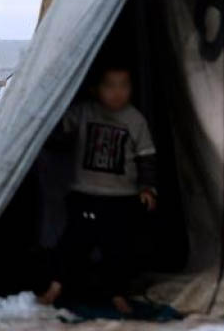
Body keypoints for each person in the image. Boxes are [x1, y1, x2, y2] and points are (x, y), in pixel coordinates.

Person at [39, 65, 157, 314]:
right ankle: (55, 288)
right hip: (85, 194)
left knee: (118, 249)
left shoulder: (135, 120)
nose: (117, 93)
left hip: (121, 198)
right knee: (72, 245)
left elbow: (146, 157)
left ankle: (117, 294)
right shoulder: (83, 112)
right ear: (95, 89)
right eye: (110, 86)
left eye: (124, 85)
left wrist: (147, 188)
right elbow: (58, 137)